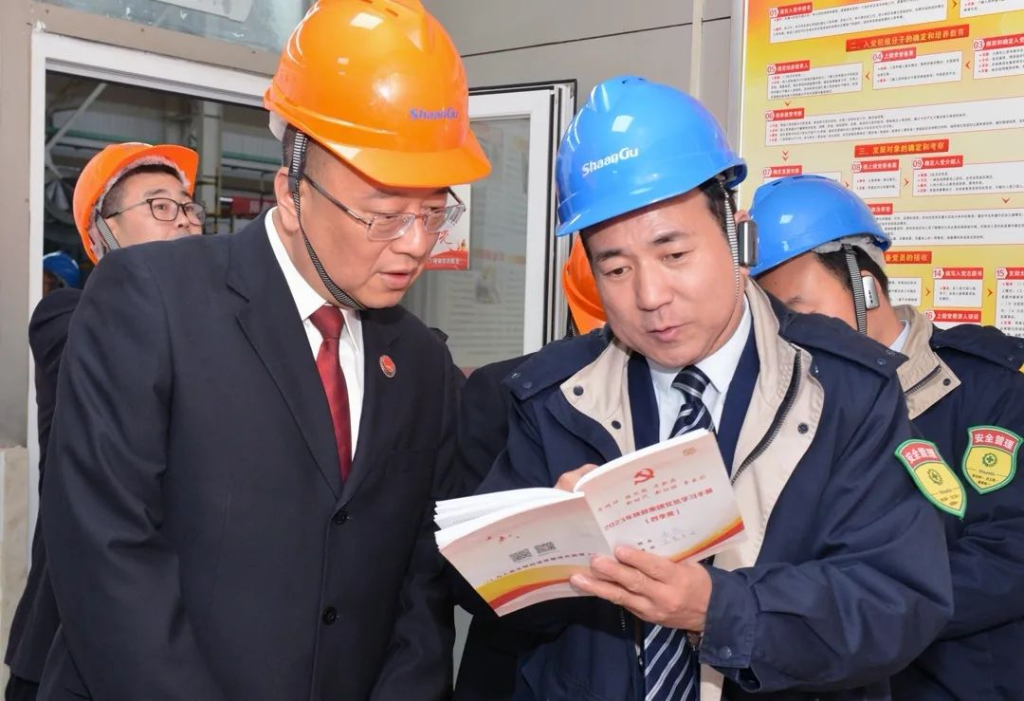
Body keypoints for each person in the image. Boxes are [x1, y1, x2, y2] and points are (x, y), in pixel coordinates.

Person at [38, 1, 489, 699]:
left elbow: (418, 587)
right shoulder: (152, 301)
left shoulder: (421, 364)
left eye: (434, 213)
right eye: (383, 215)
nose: (415, 244)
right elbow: (107, 554)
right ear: (291, 191)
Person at [472, 75, 953, 701]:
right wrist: (552, 550)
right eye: (616, 268)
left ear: (737, 235)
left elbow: (896, 603)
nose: (650, 296)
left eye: (674, 255)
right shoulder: (553, 398)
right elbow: (485, 600)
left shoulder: (849, 390)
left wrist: (719, 609)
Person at [751, 174, 1024, 701]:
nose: (790, 336)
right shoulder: (778, 405)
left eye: (798, 311)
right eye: (772, 322)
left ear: (865, 288)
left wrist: (865, 607)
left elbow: (1009, 553)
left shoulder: (988, 389)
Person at [5, 142, 203, 701]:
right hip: (68, 644)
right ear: (103, 233)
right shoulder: (64, 318)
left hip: (175, 635)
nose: (185, 220)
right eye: (160, 206)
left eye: (189, 207)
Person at [454, 237, 606, 700]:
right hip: (521, 671)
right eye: (617, 269)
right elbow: (466, 579)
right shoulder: (509, 392)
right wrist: (557, 536)